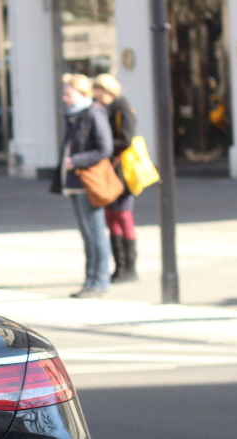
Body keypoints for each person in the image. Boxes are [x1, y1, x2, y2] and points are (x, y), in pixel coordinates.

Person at [49, 73, 113, 298]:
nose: (65, 98)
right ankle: (90, 280)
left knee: (95, 233)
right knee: (86, 234)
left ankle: (100, 281)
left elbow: (105, 148)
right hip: (75, 183)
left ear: (81, 92)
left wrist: (75, 161)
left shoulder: (94, 113)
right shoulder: (74, 116)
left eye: (69, 93)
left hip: (88, 182)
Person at [93, 73, 138, 282]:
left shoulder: (122, 110)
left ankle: (130, 268)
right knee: (111, 217)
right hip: (110, 170)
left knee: (123, 216)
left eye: (99, 92)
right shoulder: (106, 110)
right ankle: (119, 267)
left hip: (123, 172)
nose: (96, 96)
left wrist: (106, 148)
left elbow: (127, 140)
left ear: (108, 91)